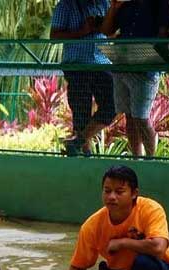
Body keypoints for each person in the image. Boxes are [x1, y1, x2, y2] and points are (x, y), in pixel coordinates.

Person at [100, 0, 169, 157]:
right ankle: (136, 158)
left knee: (141, 117)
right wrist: (113, 6)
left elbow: (163, 35)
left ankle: (150, 159)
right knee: (129, 116)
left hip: (145, 70)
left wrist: (153, 59)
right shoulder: (124, 5)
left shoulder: (159, 4)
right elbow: (106, 30)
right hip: (123, 66)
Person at [51, 0, 117, 156]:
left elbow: (113, 32)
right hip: (77, 65)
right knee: (81, 112)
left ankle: (77, 143)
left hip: (102, 64)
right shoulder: (66, 6)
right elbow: (54, 36)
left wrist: (102, 26)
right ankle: (85, 154)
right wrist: (82, 31)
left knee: (113, 105)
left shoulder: (105, 4)